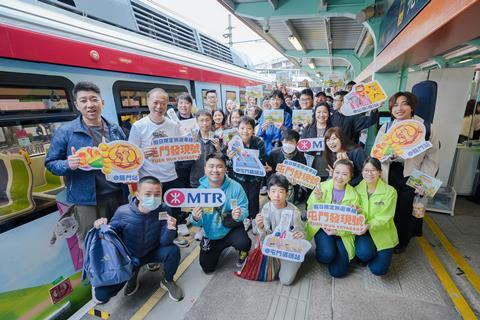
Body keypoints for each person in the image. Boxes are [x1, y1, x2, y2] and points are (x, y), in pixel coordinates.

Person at [45, 81, 127, 244]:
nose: (90, 104)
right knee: (93, 243)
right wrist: (68, 164)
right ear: (76, 105)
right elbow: (51, 163)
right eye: (83, 100)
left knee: (121, 237)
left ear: (102, 102)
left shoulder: (115, 129)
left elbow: (125, 157)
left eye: (94, 99)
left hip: (118, 195)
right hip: (86, 201)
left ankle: (122, 269)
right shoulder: (66, 132)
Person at [91, 176, 184, 303]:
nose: (153, 198)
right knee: (101, 295)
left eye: (157, 194)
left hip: (152, 252)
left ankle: (168, 280)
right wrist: (100, 226)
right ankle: (132, 275)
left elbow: (164, 242)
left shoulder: (164, 210)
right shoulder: (122, 212)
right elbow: (109, 236)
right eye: (148, 194)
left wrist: (171, 228)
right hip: (130, 258)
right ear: (138, 195)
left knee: (173, 250)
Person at [373, 91, 440, 253]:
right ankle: (387, 238)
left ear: (412, 107)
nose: (399, 108)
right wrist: (387, 156)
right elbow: (376, 152)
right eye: (395, 105)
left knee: (406, 209)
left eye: (404, 104)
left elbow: (432, 157)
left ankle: (402, 242)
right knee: (390, 207)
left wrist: (424, 181)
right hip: (390, 172)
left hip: (414, 174)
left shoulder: (426, 128)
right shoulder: (387, 127)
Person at [128, 88, 187, 246]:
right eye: (156, 102)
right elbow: (130, 155)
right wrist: (141, 153)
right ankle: (153, 244)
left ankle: (172, 237)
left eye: (163, 103)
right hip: (149, 179)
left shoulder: (173, 125)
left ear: (167, 104)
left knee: (173, 211)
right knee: (151, 214)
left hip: (170, 176)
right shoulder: (139, 126)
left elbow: (180, 149)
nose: (159, 106)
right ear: (148, 102)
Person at [189, 153, 252, 273]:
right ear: (205, 169)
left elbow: (244, 209)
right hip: (211, 234)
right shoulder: (199, 192)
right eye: (211, 166)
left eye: (219, 166)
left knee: (244, 243)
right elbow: (196, 223)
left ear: (225, 169)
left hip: (231, 228)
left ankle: (243, 252)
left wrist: (239, 215)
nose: (215, 170)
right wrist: (196, 218)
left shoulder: (236, 187)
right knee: (207, 268)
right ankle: (217, 250)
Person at [305, 159, 360, 278]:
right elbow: (310, 211)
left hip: (342, 232)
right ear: (333, 172)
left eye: (345, 174)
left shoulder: (354, 195)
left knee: (338, 273)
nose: (340, 177)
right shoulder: (321, 187)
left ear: (350, 177)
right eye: (337, 172)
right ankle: (325, 253)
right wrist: (318, 198)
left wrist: (354, 213)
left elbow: (353, 224)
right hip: (322, 228)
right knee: (326, 256)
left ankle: (334, 251)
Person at [253, 174, 305, 285]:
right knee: (266, 270)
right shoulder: (266, 208)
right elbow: (264, 236)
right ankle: (277, 263)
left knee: (286, 280)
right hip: (272, 246)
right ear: (268, 193)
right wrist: (261, 227)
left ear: (287, 194)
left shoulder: (294, 212)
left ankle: (293, 263)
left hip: (287, 248)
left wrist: (300, 235)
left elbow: (302, 234)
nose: (277, 195)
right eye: (273, 191)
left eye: (281, 191)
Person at [354, 158, 398, 276]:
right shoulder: (356, 190)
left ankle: (378, 254)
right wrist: (358, 212)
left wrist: (370, 225)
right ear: (362, 172)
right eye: (366, 170)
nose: (369, 173)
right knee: (365, 253)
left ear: (379, 172)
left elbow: (386, 216)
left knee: (379, 270)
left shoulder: (390, 191)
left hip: (382, 231)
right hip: (363, 231)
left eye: (373, 170)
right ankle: (367, 252)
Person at [227, 116, 266, 227]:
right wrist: (229, 158)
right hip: (238, 177)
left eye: (249, 128)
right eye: (242, 128)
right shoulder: (233, 142)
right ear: (238, 129)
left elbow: (262, 159)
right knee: (241, 197)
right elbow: (228, 164)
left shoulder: (259, 142)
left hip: (255, 177)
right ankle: (245, 219)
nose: (245, 131)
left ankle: (254, 219)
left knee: (253, 198)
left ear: (253, 130)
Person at [265, 129, 306, 204]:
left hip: (292, 189)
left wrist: (297, 181)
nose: (288, 144)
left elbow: (303, 176)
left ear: (297, 143)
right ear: (282, 142)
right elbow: (269, 174)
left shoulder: (301, 157)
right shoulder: (274, 153)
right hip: (276, 187)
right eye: (286, 142)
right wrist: (271, 171)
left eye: (291, 142)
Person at [190, 110, 221, 188]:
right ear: (197, 122)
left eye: (207, 120)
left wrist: (218, 149)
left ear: (211, 121)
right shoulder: (192, 139)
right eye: (201, 120)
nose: (204, 123)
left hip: (214, 180)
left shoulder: (217, 138)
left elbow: (222, 159)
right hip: (196, 180)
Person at [257, 90, 293, 155]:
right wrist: (263, 129)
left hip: (282, 149)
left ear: (282, 101)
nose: (275, 102)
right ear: (270, 101)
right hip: (267, 148)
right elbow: (259, 134)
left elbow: (290, 135)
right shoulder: (264, 114)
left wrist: (283, 128)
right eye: (273, 99)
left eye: (278, 99)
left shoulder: (287, 115)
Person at [301, 103, 331, 180]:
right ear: (314, 113)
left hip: (328, 170)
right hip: (310, 169)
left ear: (329, 113)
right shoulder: (307, 129)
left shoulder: (333, 130)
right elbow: (301, 149)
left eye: (324, 112)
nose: (321, 115)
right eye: (318, 112)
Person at [174, 93, 195, 189]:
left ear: (191, 105)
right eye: (181, 103)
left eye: (186, 103)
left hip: (195, 162)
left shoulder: (197, 119)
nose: (183, 106)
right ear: (177, 105)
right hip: (178, 164)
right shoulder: (171, 121)